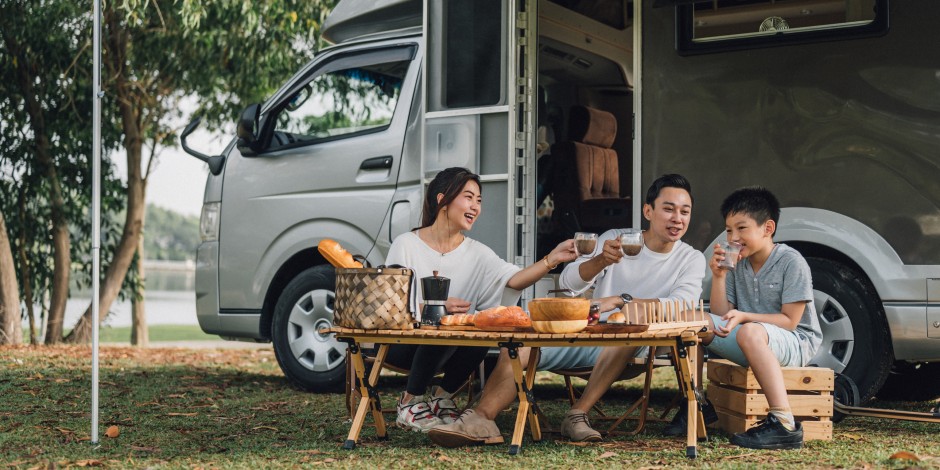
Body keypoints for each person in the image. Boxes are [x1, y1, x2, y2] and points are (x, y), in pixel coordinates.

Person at [428, 173, 707, 446]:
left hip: (634, 342)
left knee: (624, 333)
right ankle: (481, 419)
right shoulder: (617, 239)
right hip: (586, 332)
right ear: (648, 210)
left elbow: (681, 304)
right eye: (668, 209)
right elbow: (568, 282)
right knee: (521, 343)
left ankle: (577, 414)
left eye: (685, 212)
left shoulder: (690, 258)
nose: (677, 219)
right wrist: (599, 261)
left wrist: (622, 301)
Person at [384, 167, 577, 433]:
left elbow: (514, 279)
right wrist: (436, 307)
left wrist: (551, 260)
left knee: (480, 328)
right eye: (468, 197)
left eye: (479, 200)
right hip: (402, 344)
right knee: (441, 323)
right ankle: (409, 404)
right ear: (442, 199)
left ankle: (442, 398)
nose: (475, 206)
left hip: (446, 348)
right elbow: (389, 304)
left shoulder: (477, 252)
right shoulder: (406, 244)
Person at [704, 186, 822, 450]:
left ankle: (784, 423)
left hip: (795, 343)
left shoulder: (792, 261)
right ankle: (697, 405)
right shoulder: (737, 263)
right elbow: (722, 317)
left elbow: (791, 321)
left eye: (741, 228)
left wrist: (746, 317)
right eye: (729, 230)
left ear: (767, 228)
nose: (733, 237)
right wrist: (720, 277)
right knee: (699, 321)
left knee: (749, 331)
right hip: (753, 339)